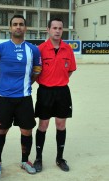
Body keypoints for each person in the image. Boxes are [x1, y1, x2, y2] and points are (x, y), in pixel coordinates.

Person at [0, 15, 42, 174]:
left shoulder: (33, 49)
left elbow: (37, 70)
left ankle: (25, 161)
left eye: (21, 24)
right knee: (1, 130)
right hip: (4, 98)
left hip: (24, 98)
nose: (18, 27)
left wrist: (28, 84)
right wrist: (2, 84)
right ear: (10, 28)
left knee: (27, 131)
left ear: (25, 28)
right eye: (15, 24)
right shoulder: (0, 48)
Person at [33, 18, 77, 172]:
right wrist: (48, 81)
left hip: (62, 91)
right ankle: (38, 158)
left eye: (60, 28)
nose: (57, 31)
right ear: (48, 30)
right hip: (45, 91)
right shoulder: (40, 49)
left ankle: (60, 158)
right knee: (43, 125)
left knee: (61, 124)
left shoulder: (68, 49)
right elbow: (35, 72)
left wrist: (59, 80)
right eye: (54, 28)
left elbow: (70, 69)